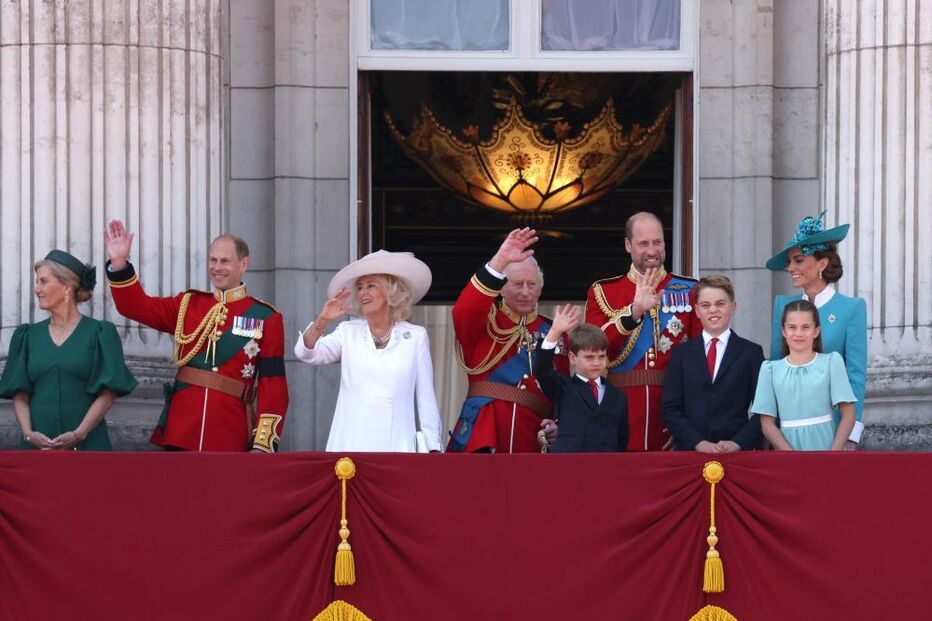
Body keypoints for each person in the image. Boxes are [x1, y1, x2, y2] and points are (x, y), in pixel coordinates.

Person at [104, 220, 288, 452]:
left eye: (225, 261)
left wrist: (263, 443)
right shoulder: (188, 304)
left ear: (243, 264)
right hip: (181, 429)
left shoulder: (266, 317)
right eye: (213, 260)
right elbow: (136, 307)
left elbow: (273, 384)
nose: (217, 267)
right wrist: (119, 264)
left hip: (230, 431)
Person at [293, 250, 442, 452]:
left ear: (391, 292)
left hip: (397, 447)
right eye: (360, 287)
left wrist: (433, 448)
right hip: (351, 446)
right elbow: (307, 354)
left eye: (371, 286)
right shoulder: (348, 332)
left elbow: (426, 398)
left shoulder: (415, 337)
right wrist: (322, 321)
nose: (363, 292)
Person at [585, 211, 701, 451]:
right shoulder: (604, 291)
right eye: (643, 244)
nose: (651, 251)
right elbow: (593, 348)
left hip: (672, 409)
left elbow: (700, 360)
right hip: (621, 411)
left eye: (657, 242)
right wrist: (635, 312)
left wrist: (688, 421)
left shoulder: (690, 290)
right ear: (628, 245)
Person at [0, 250, 137, 450]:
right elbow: (20, 393)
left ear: (67, 286)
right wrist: (28, 433)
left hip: (89, 447)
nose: (37, 289)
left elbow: (108, 392)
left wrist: (79, 434)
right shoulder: (27, 336)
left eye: (43, 281)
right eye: (37, 282)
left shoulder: (100, 333)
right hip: (37, 449)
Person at [447, 228, 567, 453]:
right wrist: (500, 260)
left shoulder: (555, 333)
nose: (525, 292)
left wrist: (557, 424)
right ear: (501, 288)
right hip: (485, 436)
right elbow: (464, 310)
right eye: (518, 284)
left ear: (540, 290)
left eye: (532, 285)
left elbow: (563, 391)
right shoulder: (483, 324)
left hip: (533, 440)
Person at [766, 212, 867, 449]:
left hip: (834, 431)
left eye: (798, 260)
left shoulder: (851, 308)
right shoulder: (782, 306)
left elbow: (855, 376)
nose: (790, 268)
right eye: (790, 261)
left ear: (822, 263)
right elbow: (776, 367)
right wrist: (774, 431)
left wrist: (850, 434)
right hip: (788, 430)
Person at [661, 275, 765, 453]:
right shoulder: (682, 354)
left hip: (736, 453)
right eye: (706, 305)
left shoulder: (751, 353)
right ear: (697, 310)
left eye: (720, 304)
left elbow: (764, 409)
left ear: (733, 307)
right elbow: (670, 408)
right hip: (691, 452)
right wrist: (697, 442)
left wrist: (738, 443)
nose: (713, 310)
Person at [751, 300, 856, 450]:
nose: (798, 333)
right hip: (787, 449)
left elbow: (848, 414)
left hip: (826, 445)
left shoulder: (831, 362)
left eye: (805, 327)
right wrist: (791, 457)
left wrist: (833, 454)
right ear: (783, 331)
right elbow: (767, 424)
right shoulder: (770, 370)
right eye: (792, 327)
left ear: (816, 331)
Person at [535, 305, 629, 453]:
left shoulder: (618, 396)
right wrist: (555, 332)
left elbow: (622, 438)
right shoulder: (563, 388)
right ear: (573, 358)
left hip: (606, 464)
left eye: (601, 356)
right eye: (589, 357)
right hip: (569, 463)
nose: (597, 363)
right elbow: (542, 370)